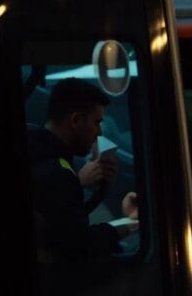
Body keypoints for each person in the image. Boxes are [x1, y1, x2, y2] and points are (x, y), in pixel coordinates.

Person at [27, 78, 138, 264]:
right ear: (76, 120)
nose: (99, 133)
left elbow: (63, 223)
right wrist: (131, 223)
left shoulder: (38, 151)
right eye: (96, 122)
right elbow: (81, 244)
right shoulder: (57, 173)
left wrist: (80, 183)